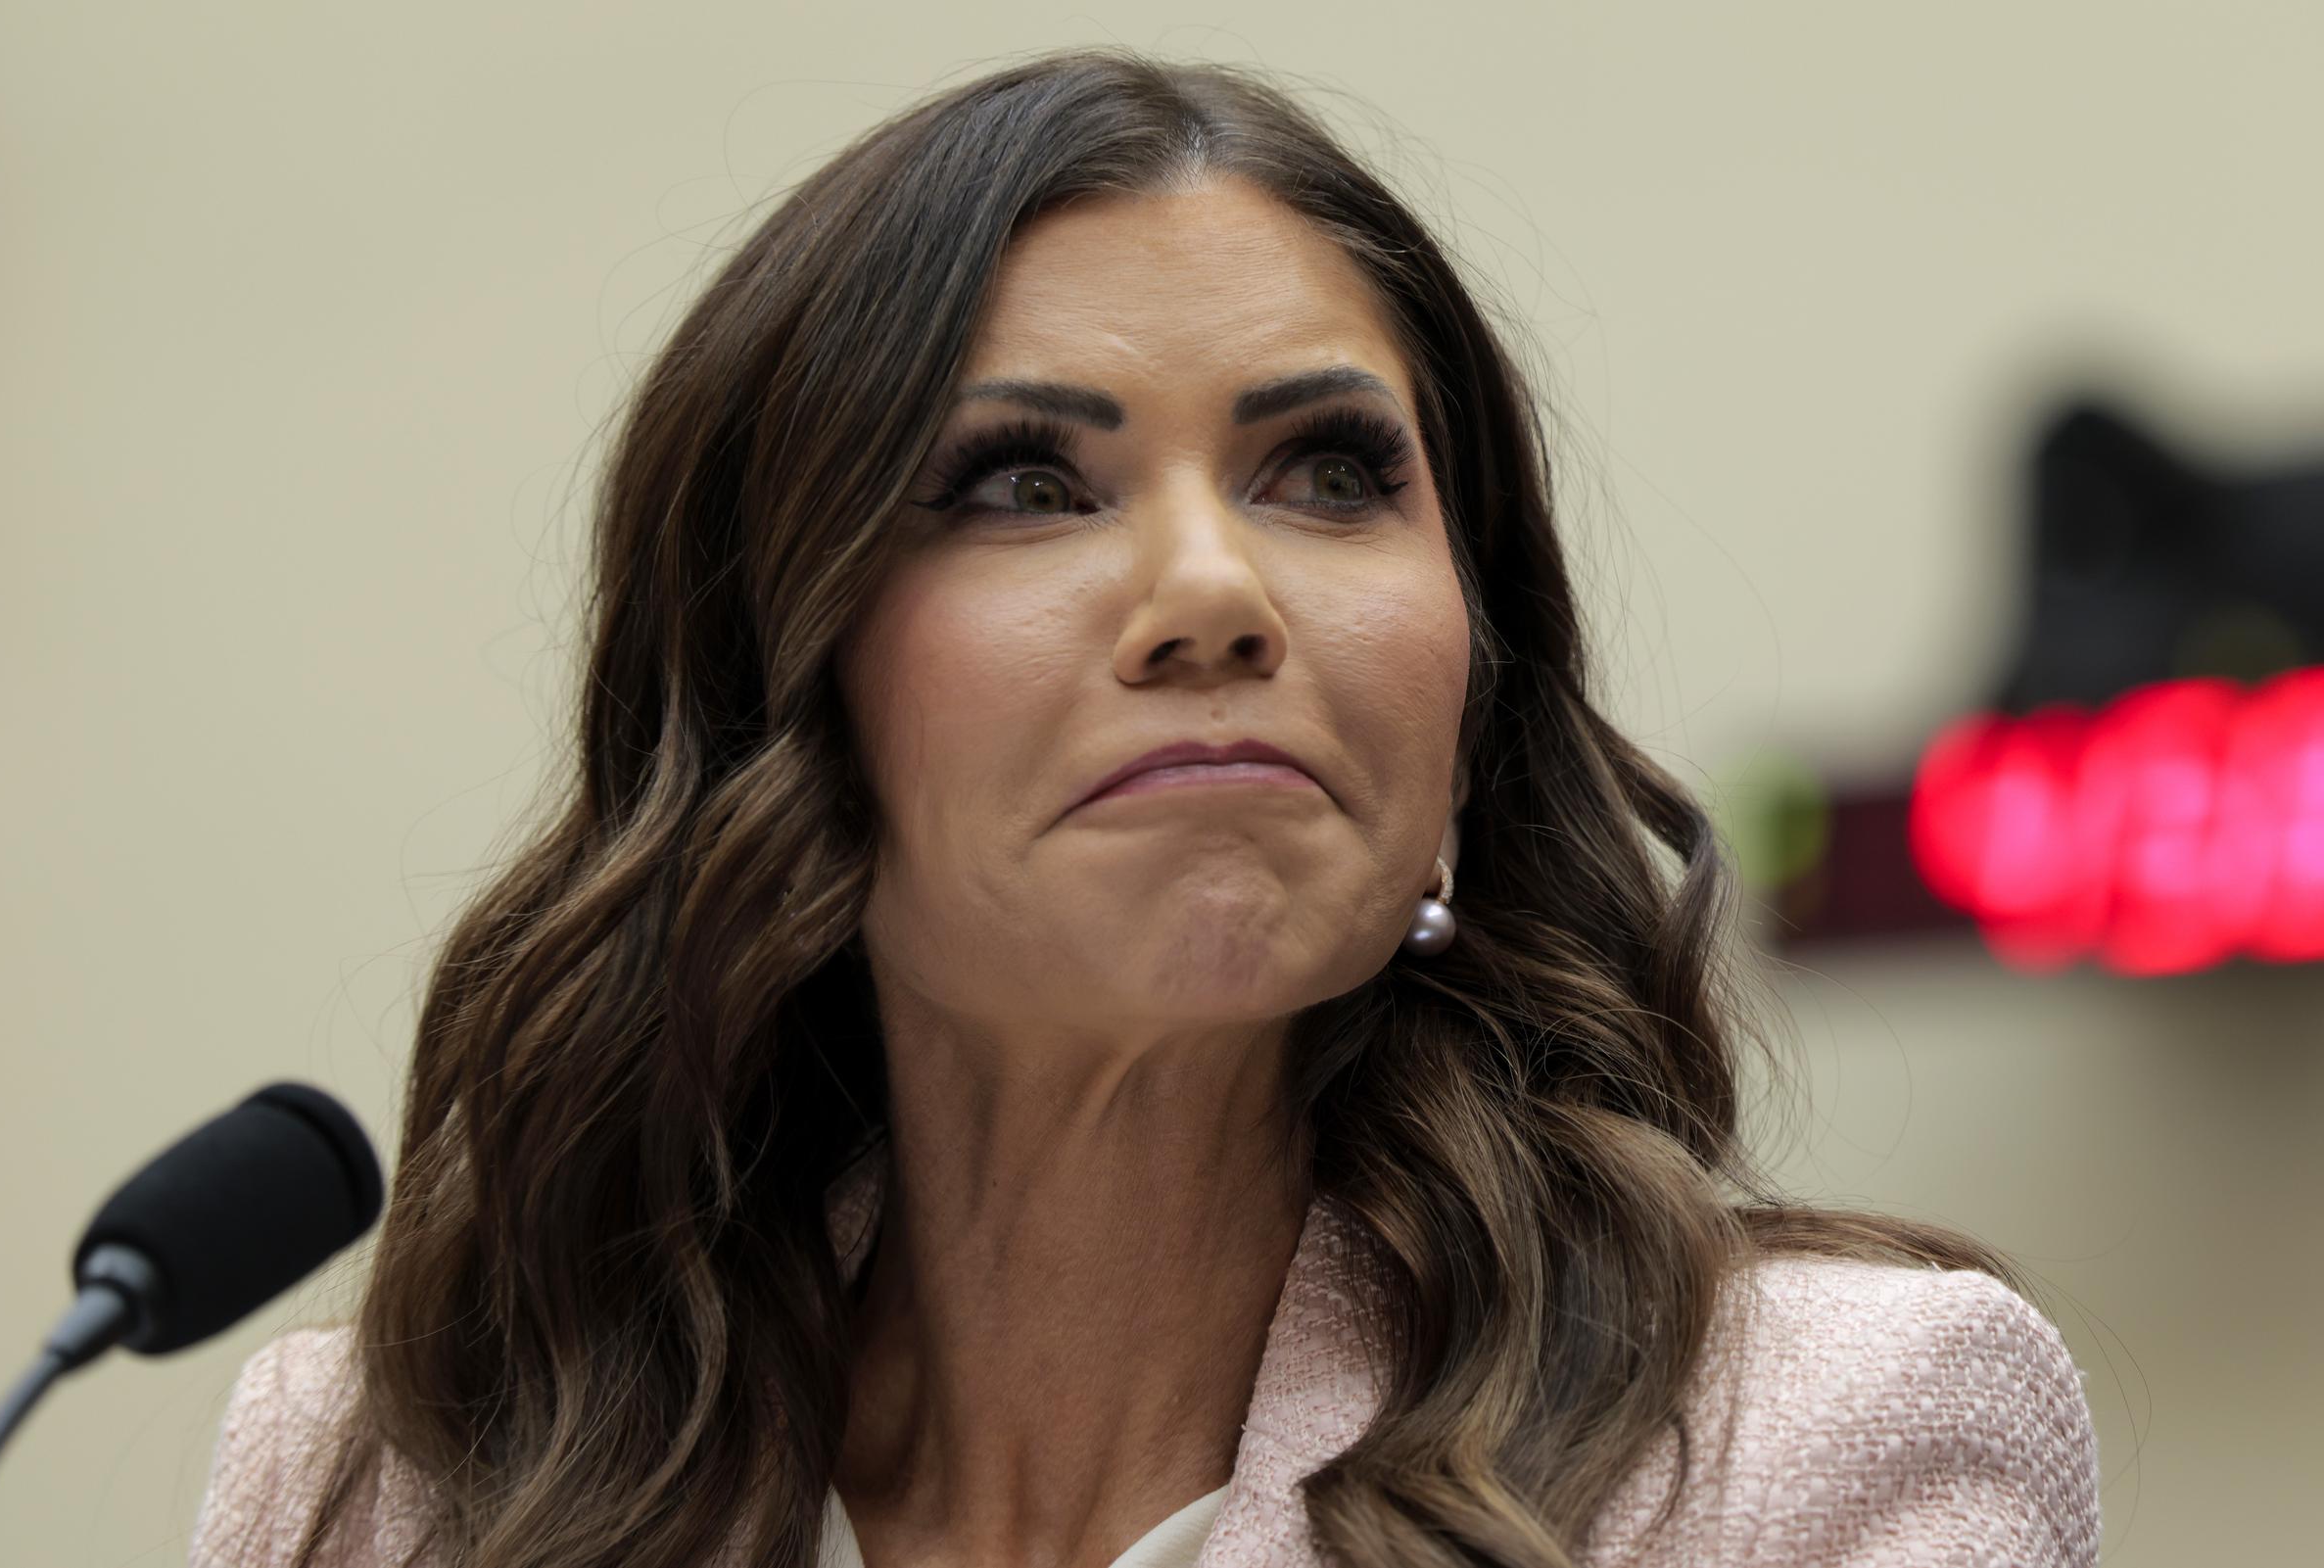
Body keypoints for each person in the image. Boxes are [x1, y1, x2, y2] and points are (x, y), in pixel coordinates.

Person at [189, 45, 2100, 1568]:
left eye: (1331, 473)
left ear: (1469, 698)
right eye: (1026, 485)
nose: (1213, 592)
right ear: (778, 696)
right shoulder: (402, 1490)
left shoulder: (1815, 1441)